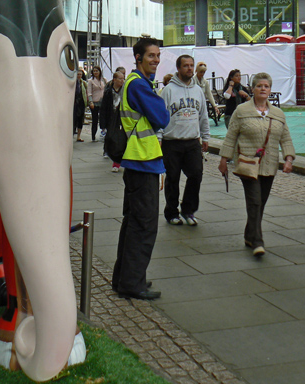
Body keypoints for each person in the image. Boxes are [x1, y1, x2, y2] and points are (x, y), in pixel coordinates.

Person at [112, 37, 170, 300]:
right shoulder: (139, 85)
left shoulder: (137, 84)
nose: (155, 60)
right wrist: (158, 101)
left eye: (158, 56)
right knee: (144, 226)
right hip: (142, 161)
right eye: (150, 56)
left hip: (138, 162)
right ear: (138, 58)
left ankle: (124, 278)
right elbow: (162, 118)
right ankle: (132, 283)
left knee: (133, 223)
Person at [218, 73, 295, 256]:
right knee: (254, 202)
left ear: (270, 89)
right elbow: (231, 137)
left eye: (266, 86)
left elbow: (285, 138)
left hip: (269, 166)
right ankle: (258, 242)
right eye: (259, 86)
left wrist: (289, 159)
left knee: (261, 202)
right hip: (248, 164)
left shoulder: (278, 114)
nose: (263, 89)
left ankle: (249, 234)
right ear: (252, 89)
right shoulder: (242, 111)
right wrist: (223, 159)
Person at [159, 55, 210, 226]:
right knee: (172, 178)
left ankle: (188, 210)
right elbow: (161, 115)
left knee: (196, 175)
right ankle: (171, 212)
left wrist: (206, 136)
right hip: (172, 141)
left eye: (191, 65)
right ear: (179, 68)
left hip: (192, 141)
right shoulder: (168, 90)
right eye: (185, 66)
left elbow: (203, 115)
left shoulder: (198, 91)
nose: (189, 68)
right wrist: (159, 137)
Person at [100, 70, 125, 172]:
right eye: (120, 79)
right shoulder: (108, 92)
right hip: (111, 118)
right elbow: (104, 108)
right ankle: (109, 152)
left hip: (121, 119)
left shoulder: (125, 91)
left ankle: (117, 162)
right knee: (110, 137)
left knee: (120, 140)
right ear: (114, 79)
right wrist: (103, 123)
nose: (122, 81)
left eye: (123, 78)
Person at [87, 66, 107, 142]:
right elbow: (89, 92)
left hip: (102, 102)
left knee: (102, 118)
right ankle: (93, 136)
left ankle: (103, 133)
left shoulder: (103, 80)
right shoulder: (90, 81)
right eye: (94, 71)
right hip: (94, 102)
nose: (95, 72)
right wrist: (91, 102)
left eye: (97, 71)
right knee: (95, 120)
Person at [73, 69, 87, 142]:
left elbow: (87, 92)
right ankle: (72, 135)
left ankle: (78, 136)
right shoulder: (72, 83)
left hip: (81, 103)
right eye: (78, 74)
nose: (79, 76)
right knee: (73, 119)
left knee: (80, 120)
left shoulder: (84, 83)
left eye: (80, 74)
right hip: (74, 103)